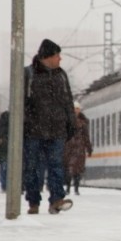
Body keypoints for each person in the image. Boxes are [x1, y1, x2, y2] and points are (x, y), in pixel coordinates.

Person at [23, 38, 75, 215]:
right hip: (34, 131)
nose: (60, 59)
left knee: (56, 166)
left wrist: (71, 123)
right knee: (33, 167)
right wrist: (26, 124)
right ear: (47, 57)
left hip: (57, 130)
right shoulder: (28, 74)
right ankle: (33, 201)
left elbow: (68, 101)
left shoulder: (61, 75)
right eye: (57, 55)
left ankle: (57, 200)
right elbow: (21, 103)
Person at [63, 102, 93, 195]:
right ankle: (68, 187)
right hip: (70, 148)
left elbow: (86, 136)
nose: (76, 110)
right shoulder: (68, 121)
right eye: (75, 108)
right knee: (70, 168)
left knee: (76, 170)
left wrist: (89, 148)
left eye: (77, 109)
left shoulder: (80, 122)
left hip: (77, 148)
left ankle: (75, 188)